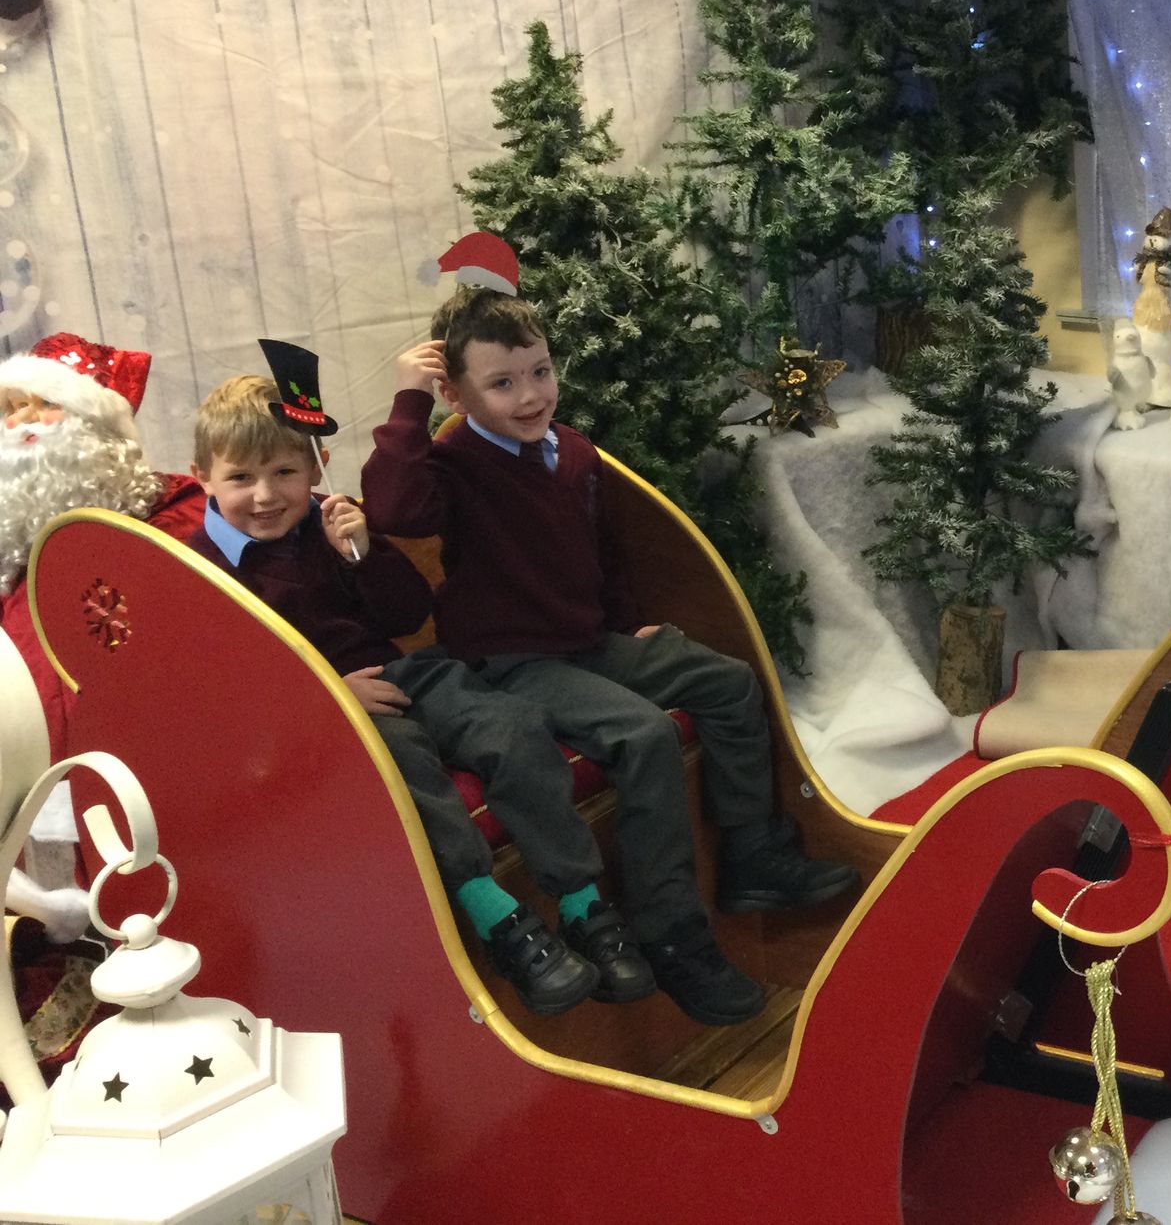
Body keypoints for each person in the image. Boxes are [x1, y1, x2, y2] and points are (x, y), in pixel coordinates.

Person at [363, 287, 857, 1026]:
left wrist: (628, 625)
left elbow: (601, 551)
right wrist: (409, 401)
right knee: (644, 734)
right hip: (512, 662)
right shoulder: (455, 462)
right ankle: (673, 935)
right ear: (455, 393)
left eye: (540, 372)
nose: (530, 396)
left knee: (726, 682)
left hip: (589, 643)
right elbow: (395, 508)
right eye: (502, 383)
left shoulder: (572, 450)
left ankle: (752, 854)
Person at [184, 375, 655, 1018]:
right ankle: (499, 921)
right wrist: (324, 694)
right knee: (404, 764)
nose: (266, 496)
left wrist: (363, 554)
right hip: (328, 708)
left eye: (285, 472)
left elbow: (407, 613)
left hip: (407, 671)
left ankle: (581, 904)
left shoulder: (329, 520)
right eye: (241, 478)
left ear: (314, 466)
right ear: (203, 478)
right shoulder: (198, 569)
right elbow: (223, 684)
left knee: (513, 726)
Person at [0, 332, 206, 944]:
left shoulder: (174, 512)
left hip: (149, 750)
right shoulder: (10, 553)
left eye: (46, 404)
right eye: (11, 409)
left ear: (97, 427)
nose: (24, 423)